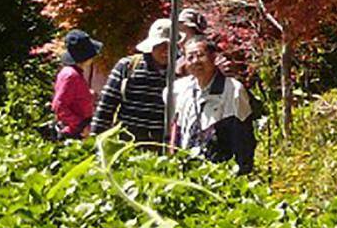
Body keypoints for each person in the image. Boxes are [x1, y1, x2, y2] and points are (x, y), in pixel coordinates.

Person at [170, 35, 256, 174]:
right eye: (190, 57)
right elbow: (177, 130)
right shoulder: (180, 89)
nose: (195, 61)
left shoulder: (232, 90)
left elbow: (243, 137)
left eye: (200, 55)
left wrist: (242, 172)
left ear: (213, 57)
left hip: (221, 172)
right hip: (187, 170)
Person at [91, 19, 176, 147]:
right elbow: (106, 104)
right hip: (127, 140)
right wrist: (95, 138)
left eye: (170, 46)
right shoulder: (127, 66)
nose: (165, 51)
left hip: (162, 142)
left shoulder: (181, 71)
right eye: (160, 45)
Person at [52, 29, 104, 138]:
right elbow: (59, 106)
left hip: (79, 129)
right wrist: (79, 125)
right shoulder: (70, 75)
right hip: (74, 133)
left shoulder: (75, 73)